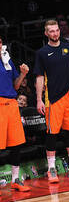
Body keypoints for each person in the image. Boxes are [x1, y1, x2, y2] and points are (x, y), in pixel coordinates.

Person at [34, 20, 69, 183]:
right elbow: (38, 77)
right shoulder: (42, 53)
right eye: (51, 31)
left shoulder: (68, 47)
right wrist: (39, 100)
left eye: (56, 30)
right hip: (52, 99)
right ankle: (52, 169)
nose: (55, 33)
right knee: (52, 134)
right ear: (46, 33)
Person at [0, 35, 31, 192]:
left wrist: (23, 75)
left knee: (16, 143)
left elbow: (16, 85)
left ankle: (15, 179)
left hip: (11, 104)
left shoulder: (7, 60)